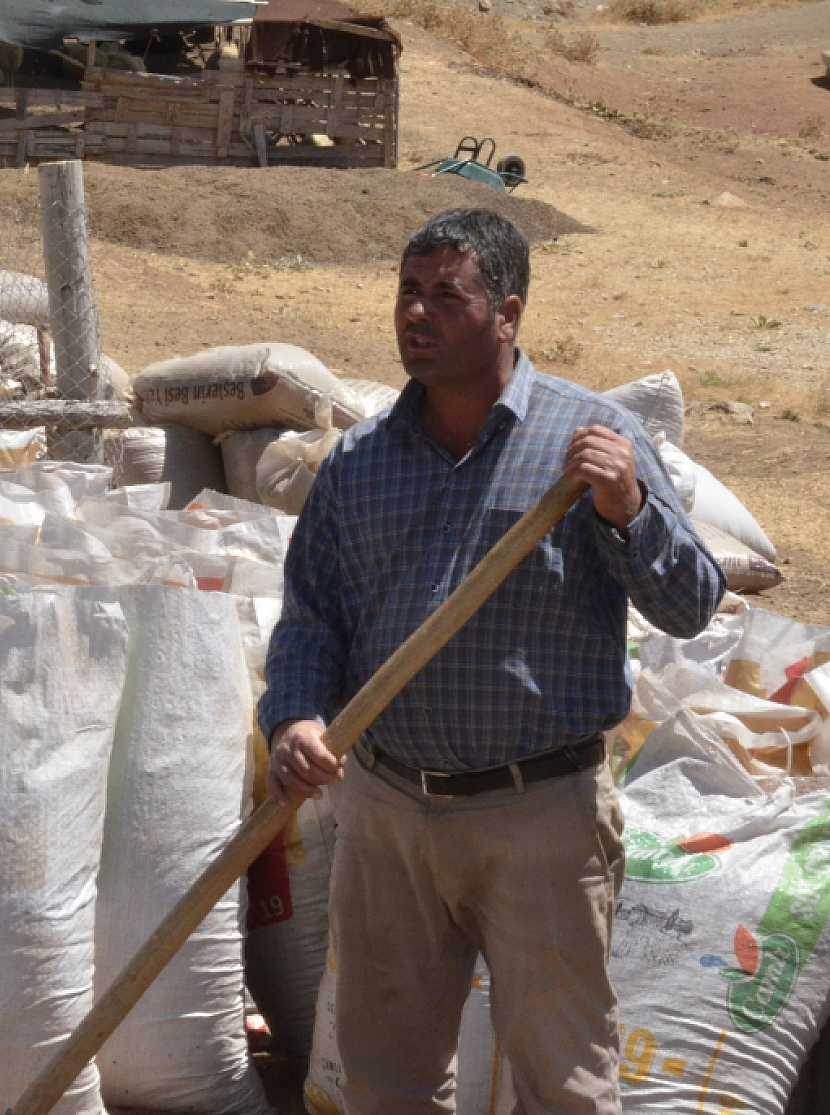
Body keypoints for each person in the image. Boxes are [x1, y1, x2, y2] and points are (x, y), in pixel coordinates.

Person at [259, 208, 724, 1115]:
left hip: (541, 819)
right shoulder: (357, 462)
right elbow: (311, 617)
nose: (417, 315)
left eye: (447, 296)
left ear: (506, 314)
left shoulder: (587, 443)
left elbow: (693, 601)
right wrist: (298, 716)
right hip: (391, 814)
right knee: (385, 1081)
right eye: (408, 292)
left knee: (565, 1083)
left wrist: (627, 508)